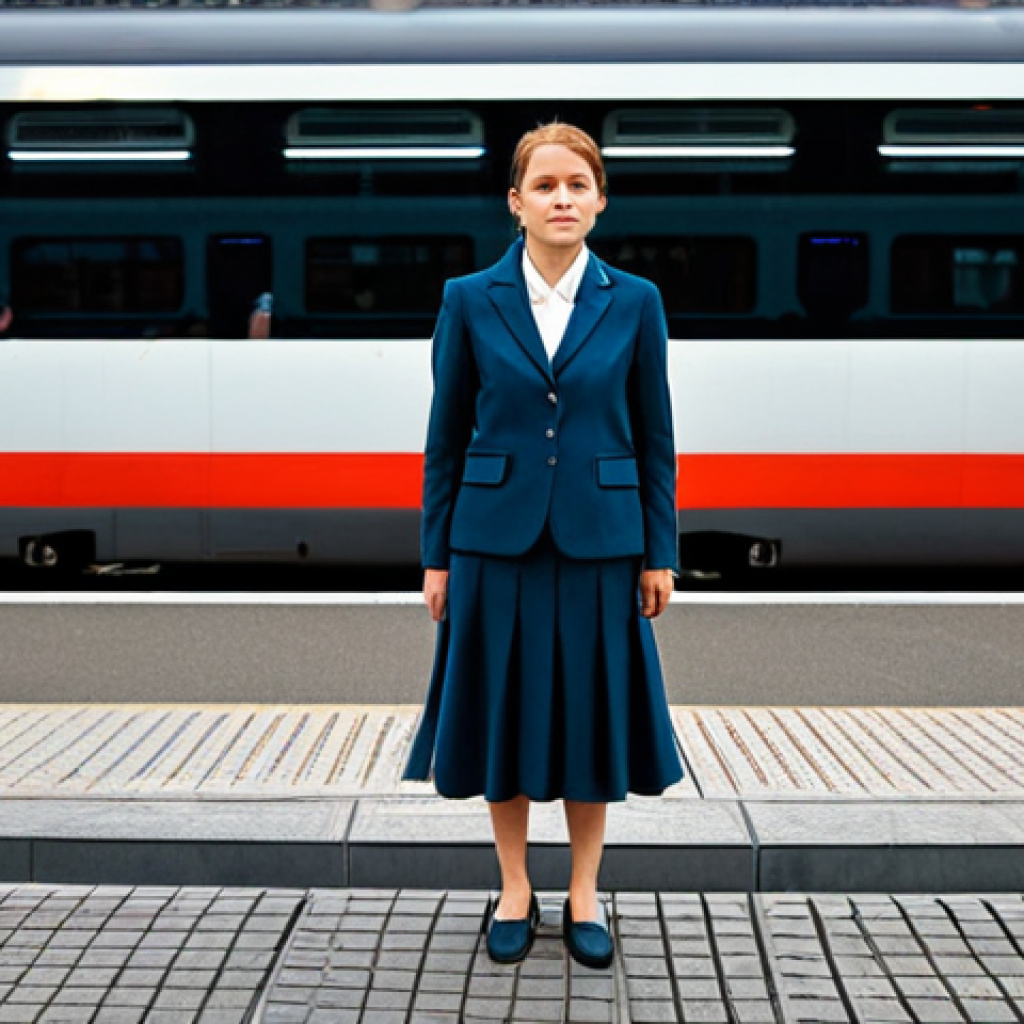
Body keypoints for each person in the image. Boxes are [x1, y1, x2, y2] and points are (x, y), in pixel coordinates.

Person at [401, 122, 684, 970]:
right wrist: (437, 554)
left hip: (603, 541)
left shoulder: (634, 300)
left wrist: (660, 550)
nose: (564, 199)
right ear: (516, 202)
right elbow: (445, 435)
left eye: (579, 184)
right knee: (506, 716)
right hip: (493, 543)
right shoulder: (468, 298)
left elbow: (657, 436)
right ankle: (516, 887)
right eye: (547, 185)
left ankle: (586, 893)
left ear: (600, 201)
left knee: (591, 720)